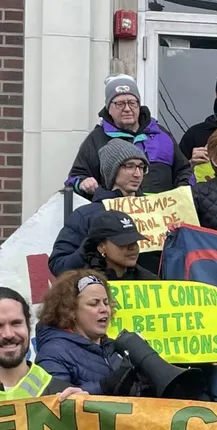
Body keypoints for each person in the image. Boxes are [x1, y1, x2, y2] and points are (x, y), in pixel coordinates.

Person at [65, 74, 191, 195]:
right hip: (115, 214)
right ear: (109, 108)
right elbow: (73, 179)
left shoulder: (161, 134)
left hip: (160, 214)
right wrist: (82, 183)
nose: (127, 108)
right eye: (120, 104)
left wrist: (183, 190)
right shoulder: (96, 139)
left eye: (132, 103)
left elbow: (184, 170)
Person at [51, 140, 151, 277]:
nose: (137, 174)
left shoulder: (157, 211)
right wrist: (89, 246)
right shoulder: (85, 215)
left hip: (152, 293)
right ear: (113, 170)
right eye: (130, 166)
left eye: (141, 167)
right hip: (101, 294)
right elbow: (59, 265)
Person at [34, 272, 124, 394]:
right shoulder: (53, 353)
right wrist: (104, 386)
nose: (104, 309)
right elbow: (56, 403)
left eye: (106, 302)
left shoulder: (115, 348)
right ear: (70, 310)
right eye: (94, 303)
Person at [81, 210, 157, 281]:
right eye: (123, 242)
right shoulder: (83, 285)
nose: (133, 247)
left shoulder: (151, 281)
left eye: (135, 241)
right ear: (101, 247)